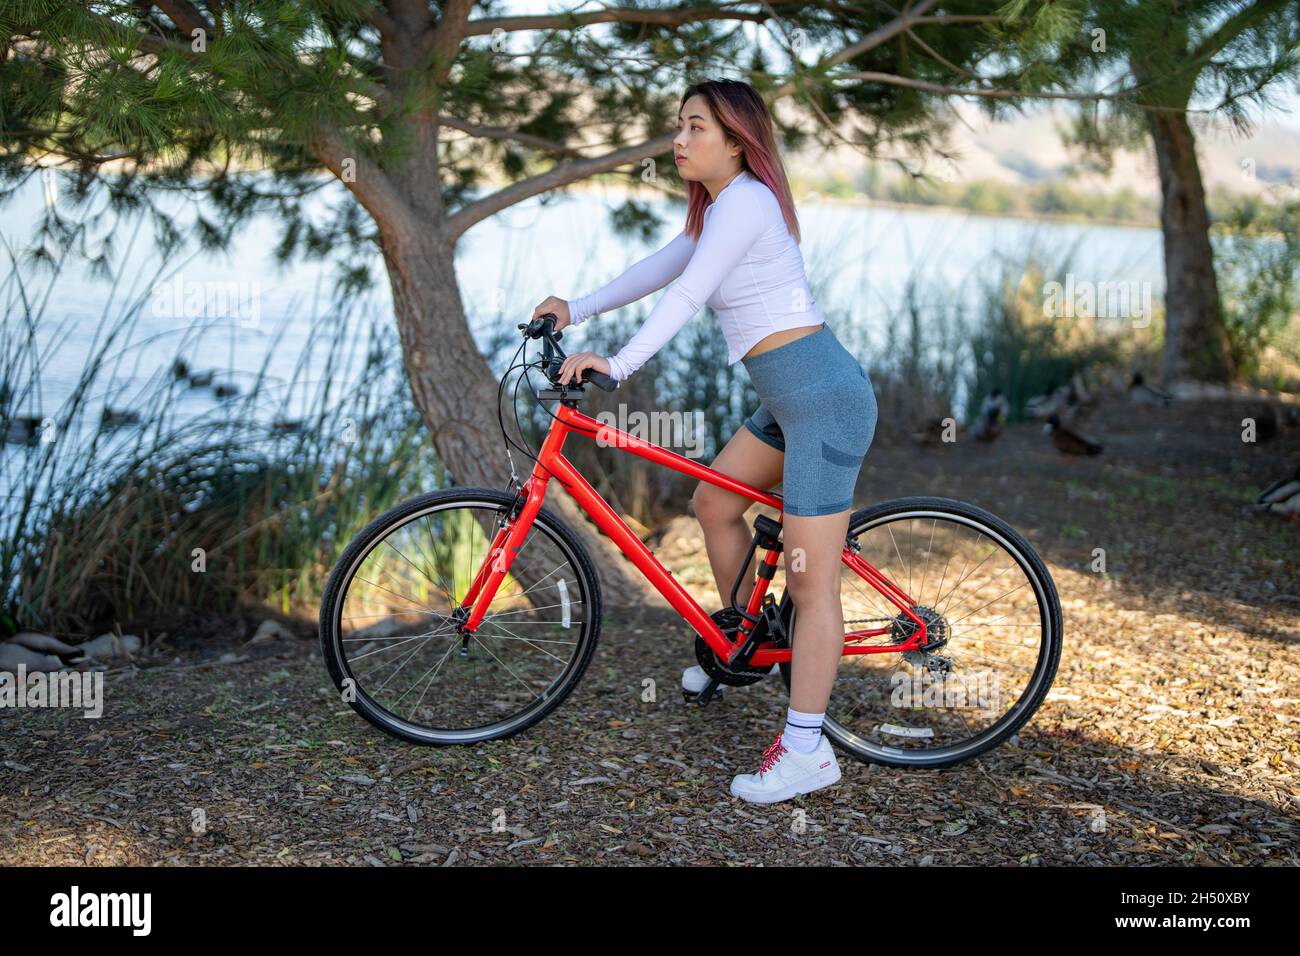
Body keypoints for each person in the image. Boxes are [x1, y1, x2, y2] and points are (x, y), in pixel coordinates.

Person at [530, 78, 877, 804]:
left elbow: (687, 298)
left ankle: (808, 750)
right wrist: (578, 306)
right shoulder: (722, 208)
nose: (679, 140)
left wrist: (618, 362)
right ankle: (745, 643)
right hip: (792, 402)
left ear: (736, 140)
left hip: (826, 404)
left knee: (814, 585)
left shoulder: (747, 202)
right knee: (715, 504)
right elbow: (664, 267)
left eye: (695, 127)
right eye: (679, 126)